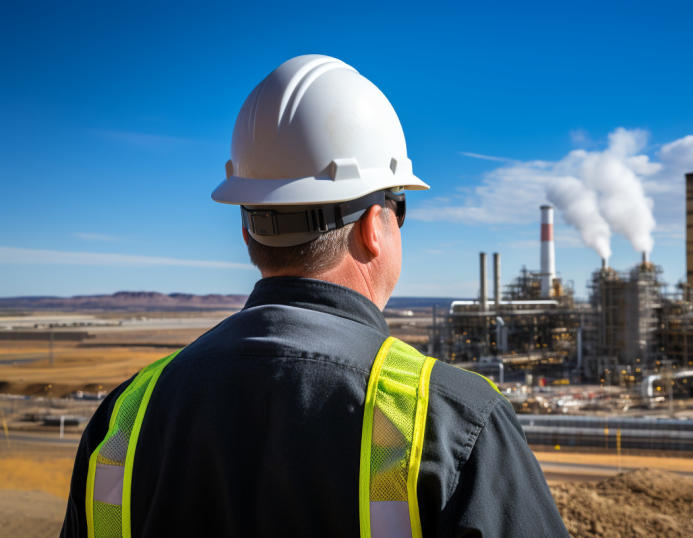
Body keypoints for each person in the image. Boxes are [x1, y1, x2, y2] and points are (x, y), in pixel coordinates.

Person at [60, 55, 568, 537]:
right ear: (375, 225)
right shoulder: (452, 423)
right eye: (400, 208)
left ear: (246, 230)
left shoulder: (123, 419)